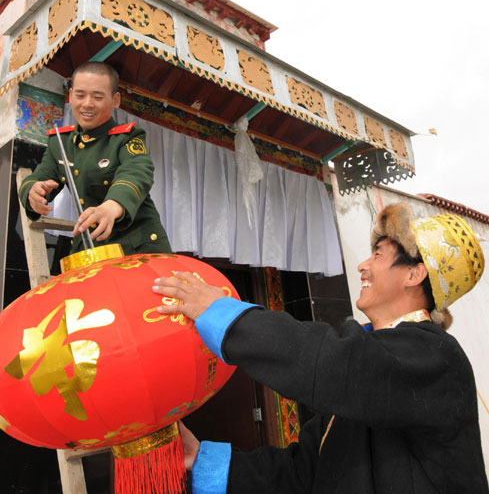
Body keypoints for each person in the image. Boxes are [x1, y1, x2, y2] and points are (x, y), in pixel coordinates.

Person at [153, 203, 488, 494]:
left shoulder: (438, 357)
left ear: (415, 273)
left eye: (378, 254)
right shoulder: (369, 369)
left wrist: (222, 314)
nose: (362, 266)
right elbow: (303, 473)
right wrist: (201, 459)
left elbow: (334, 363)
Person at [19, 61, 171, 255]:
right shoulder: (60, 143)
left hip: (137, 248)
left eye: (97, 96)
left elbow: (137, 171)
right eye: (80, 95)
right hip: (92, 248)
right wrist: (33, 192)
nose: (87, 103)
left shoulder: (127, 137)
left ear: (115, 100)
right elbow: (40, 177)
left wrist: (112, 206)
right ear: (71, 95)